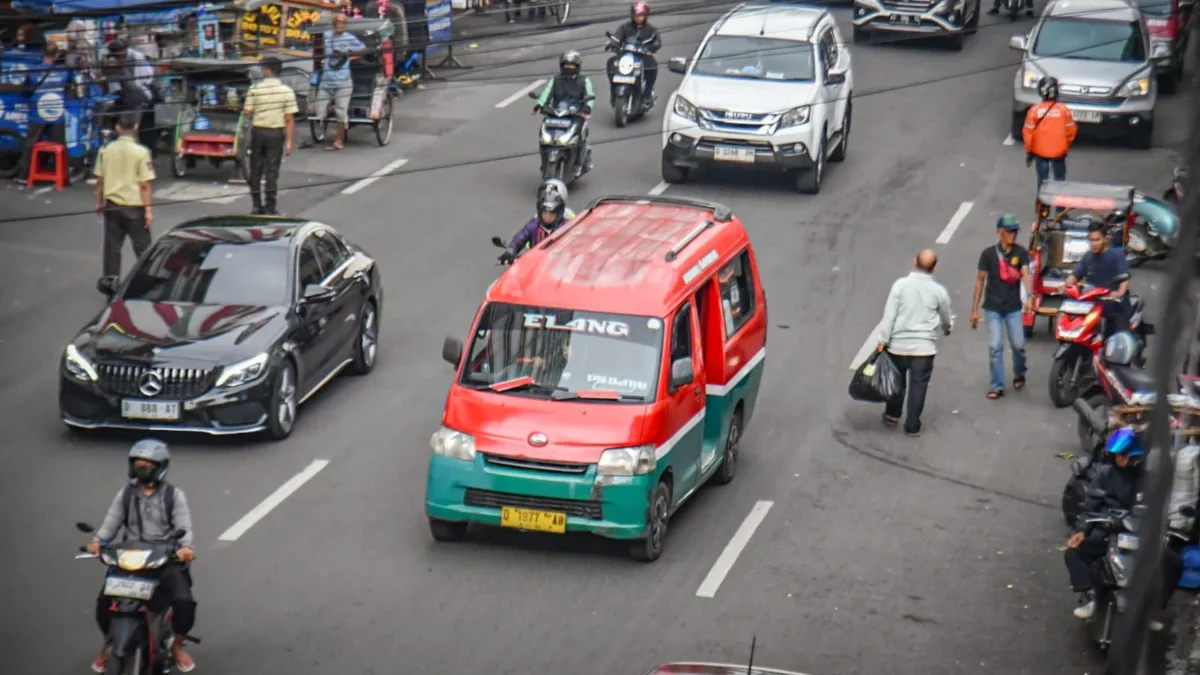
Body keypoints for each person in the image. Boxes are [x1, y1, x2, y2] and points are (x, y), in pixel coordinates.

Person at [88, 439, 197, 672]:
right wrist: (97, 542)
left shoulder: (174, 496)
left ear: (160, 467)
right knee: (103, 603)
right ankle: (108, 644)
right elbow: (111, 523)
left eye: (147, 466)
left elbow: (184, 528)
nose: (141, 469)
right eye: (137, 465)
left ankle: (177, 646)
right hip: (129, 557)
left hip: (164, 559)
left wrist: (185, 548)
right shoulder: (126, 495)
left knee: (184, 602)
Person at [1064, 427, 1180, 630]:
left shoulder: (1150, 480)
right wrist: (1082, 530)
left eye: (1125, 456)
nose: (1120, 459)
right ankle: (1090, 595)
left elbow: (1160, 510)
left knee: (1173, 563)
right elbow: (1090, 507)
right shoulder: (1105, 474)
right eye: (1117, 455)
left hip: (1139, 533)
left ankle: (1152, 609)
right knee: (1074, 552)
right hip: (1107, 529)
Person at [876, 249, 953, 437]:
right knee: (918, 386)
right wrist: (947, 329)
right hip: (924, 349)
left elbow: (889, 315)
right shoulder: (938, 291)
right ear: (934, 268)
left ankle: (892, 415)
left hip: (898, 346)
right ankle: (912, 425)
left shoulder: (900, 286)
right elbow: (946, 317)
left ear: (914, 262)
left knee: (897, 381)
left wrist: (883, 340)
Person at [970, 215, 1035, 399]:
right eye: (1008, 231)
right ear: (999, 232)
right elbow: (980, 281)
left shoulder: (1021, 253)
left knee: (1018, 345)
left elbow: (1026, 274)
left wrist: (1030, 296)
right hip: (993, 308)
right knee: (995, 347)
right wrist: (974, 310)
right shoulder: (988, 254)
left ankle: (1019, 372)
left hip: (1013, 307)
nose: (1012, 235)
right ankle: (997, 385)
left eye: (1014, 232)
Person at [94, 112, 155, 280]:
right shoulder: (142, 152)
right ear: (136, 127)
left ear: (117, 128)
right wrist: (148, 210)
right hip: (135, 208)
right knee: (144, 250)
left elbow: (100, 180)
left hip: (112, 205)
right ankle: (146, 282)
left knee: (112, 249)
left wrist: (99, 202)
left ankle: (110, 283)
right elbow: (145, 184)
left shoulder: (105, 150)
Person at [243, 56, 298, 215]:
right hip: (276, 134)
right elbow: (289, 119)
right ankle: (270, 206)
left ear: (267, 70)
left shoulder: (255, 89)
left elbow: (247, 111)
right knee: (272, 171)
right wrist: (289, 142)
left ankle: (256, 205)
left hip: (258, 132)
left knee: (256, 169)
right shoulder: (287, 91)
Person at [14, 43, 71, 183]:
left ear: (42, 53)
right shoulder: (65, 72)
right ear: (57, 55)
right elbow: (69, 87)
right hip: (57, 113)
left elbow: (25, 92)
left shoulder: (33, 71)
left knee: (30, 143)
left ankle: (25, 175)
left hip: (37, 114)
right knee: (60, 145)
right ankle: (64, 177)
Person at [1065, 220, 1132, 337]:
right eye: (1091, 240)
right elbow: (1075, 274)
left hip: (1115, 305)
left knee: (1121, 336)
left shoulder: (1117, 255)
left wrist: (1119, 293)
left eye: (1097, 240)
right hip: (1092, 304)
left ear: (1105, 239)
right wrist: (1067, 285)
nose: (1094, 244)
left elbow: (1124, 279)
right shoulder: (1088, 257)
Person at [534, 51, 594, 171]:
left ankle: (578, 163)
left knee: (579, 134)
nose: (568, 68)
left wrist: (586, 108)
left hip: (575, 114)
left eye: (571, 66)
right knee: (543, 136)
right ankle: (544, 162)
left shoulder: (584, 80)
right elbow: (546, 94)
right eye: (566, 65)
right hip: (556, 113)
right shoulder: (555, 80)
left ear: (577, 67)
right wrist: (540, 105)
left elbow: (590, 96)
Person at [316, 14, 365, 152]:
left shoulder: (349, 38)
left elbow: (363, 49)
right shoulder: (327, 35)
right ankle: (332, 110)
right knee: (318, 109)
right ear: (334, 24)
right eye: (338, 23)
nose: (340, 26)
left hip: (343, 80)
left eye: (343, 23)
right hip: (326, 79)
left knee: (341, 112)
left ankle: (339, 140)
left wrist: (349, 58)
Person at [106, 40, 159, 158]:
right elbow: (113, 81)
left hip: (143, 95)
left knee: (145, 129)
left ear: (123, 50)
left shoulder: (136, 57)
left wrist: (137, 89)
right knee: (125, 126)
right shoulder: (112, 61)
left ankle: (147, 155)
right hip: (127, 98)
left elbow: (146, 76)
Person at [1023, 76, 1077, 191]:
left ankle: (1043, 202)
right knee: (1060, 180)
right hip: (1059, 152)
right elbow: (1071, 131)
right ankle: (1059, 201)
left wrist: (1029, 152)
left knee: (1043, 183)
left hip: (1040, 153)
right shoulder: (1064, 110)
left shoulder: (1034, 111)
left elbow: (1028, 134)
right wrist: (1064, 146)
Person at [499, 186, 572, 264]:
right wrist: (511, 250)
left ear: (559, 213)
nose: (547, 216)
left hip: (558, 265)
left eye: (551, 213)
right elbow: (520, 238)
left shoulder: (566, 227)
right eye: (545, 212)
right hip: (535, 263)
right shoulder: (534, 225)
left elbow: (574, 248)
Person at [608, 2, 662, 102]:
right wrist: (613, 44)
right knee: (611, 63)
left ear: (646, 15)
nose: (638, 17)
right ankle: (613, 92)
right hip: (625, 55)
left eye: (641, 15)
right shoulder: (625, 27)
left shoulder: (651, 30)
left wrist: (650, 49)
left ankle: (647, 94)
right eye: (635, 15)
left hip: (642, 56)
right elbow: (617, 37)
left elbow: (657, 42)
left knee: (652, 65)